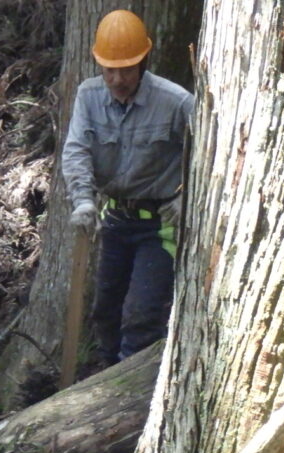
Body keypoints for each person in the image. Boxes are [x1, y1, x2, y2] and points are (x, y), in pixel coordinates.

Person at [61, 9, 193, 366]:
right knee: (106, 310)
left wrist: (189, 198)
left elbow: (211, 154)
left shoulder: (176, 102)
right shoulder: (89, 97)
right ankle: (105, 376)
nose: (118, 79)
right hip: (116, 218)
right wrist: (83, 201)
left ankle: (129, 392)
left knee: (141, 315)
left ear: (143, 62)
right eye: (110, 70)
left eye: (127, 70)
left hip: (159, 225)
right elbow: (76, 150)